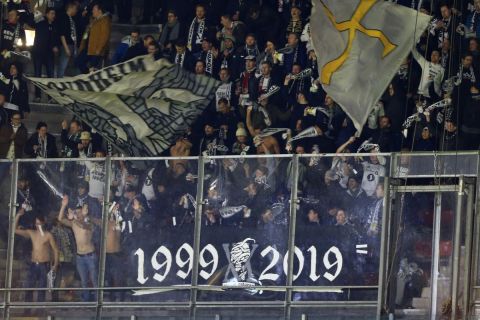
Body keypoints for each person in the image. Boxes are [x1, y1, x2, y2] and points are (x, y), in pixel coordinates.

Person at [58, 195, 99, 302]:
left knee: (94, 280)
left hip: (90, 256)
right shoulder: (73, 223)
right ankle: (86, 301)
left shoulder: (89, 223)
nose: (77, 213)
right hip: (79, 257)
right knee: (84, 281)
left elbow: (85, 226)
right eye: (76, 212)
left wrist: (77, 218)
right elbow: (60, 219)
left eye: (78, 212)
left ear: (83, 212)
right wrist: (63, 206)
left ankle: (98, 301)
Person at [15, 209, 59, 302]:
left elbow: (55, 250)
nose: (37, 225)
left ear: (43, 223)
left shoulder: (48, 235)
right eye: (36, 224)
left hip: (44, 265)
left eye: (39, 223)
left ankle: (40, 309)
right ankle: (27, 309)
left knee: (41, 288)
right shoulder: (32, 233)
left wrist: (55, 264)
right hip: (33, 264)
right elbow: (15, 230)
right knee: (29, 287)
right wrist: (18, 215)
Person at [32, 7, 59, 102]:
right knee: (37, 75)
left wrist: (55, 46)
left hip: (49, 54)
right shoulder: (40, 22)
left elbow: (55, 39)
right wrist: (35, 14)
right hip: (38, 52)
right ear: (47, 14)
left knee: (50, 76)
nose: (53, 16)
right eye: (51, 13)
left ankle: (50, 97)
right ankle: (37, 96)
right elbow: (31, 23)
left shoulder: (55, 25)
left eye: (54, 14)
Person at [77, 3, 112, 73]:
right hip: (87, 48)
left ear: (99, 11)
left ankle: (87, 77)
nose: (92, 11)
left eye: (94, 9)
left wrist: (99, 49)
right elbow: (86, 34)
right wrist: (81, 46)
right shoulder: (93, 20)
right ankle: (86, 75)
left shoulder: (105, 20)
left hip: (96, 50)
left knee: (92, 67)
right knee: (78, 62)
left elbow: (104, 36)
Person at [57, 2, 79, 78]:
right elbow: (62, 34)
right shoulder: (64, 17)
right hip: (67, 45)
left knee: (67, 66)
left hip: (72, 45)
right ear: (71, 8)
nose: (76, 11)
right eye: (75, 9)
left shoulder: (71, 19)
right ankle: (59, 83)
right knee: (62, 66)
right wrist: (66, 48)